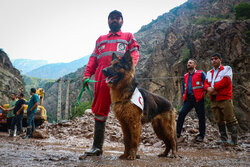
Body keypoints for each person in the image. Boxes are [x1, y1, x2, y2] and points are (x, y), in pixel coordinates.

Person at [82, 10, 139, 156]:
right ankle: (97, 147)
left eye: (117, 18)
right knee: (100, 111)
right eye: (111, 18)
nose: (114, 20)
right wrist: (87, 75)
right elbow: (93, 59)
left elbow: (134, 53)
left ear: (122, 21)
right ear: (108, 21)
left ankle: (132, 149)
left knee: (130, 113)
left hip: (122, 80)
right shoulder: (100, 39)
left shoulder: (128, 36)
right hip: (103, 78)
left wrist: (129, 69)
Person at [204, 53, 239, 146]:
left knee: (230, 118)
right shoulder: (209, 72)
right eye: (212, 59)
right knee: (219, 119)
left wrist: (213, 88)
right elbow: (205, 83)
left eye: (216, 58)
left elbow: (226, 81)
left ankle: (234, 141)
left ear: (220, 60)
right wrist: (208, 89)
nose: (214, 60)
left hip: (224, 98)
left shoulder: (227, 69)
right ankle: (224, 139)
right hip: (214, 99)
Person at [176, 59, 206, 142]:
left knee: (201, 116)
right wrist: (183, 94)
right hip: (189, 98)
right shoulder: (185, 75)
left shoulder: (201, 73)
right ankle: (177, 132)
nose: (188, 64)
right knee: (181, 113)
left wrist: (204, 93)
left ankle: (201, 135)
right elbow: (184, 87)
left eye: (190, 63)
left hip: (198, 98)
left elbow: (206, 83)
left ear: (195, 65)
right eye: (188, 63)